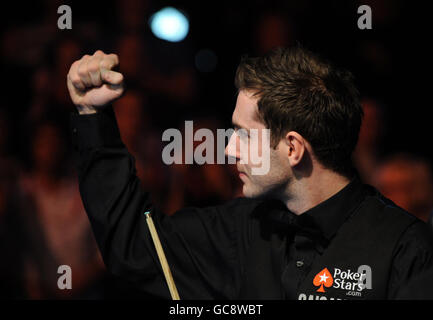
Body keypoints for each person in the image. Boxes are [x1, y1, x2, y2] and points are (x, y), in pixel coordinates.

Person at [66, 47, 433, 300]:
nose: (228, 149)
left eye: (243, 134)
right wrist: (92, 117)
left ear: (293, 148)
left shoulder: (407, 249)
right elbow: (134, 248)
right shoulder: (242, 228)